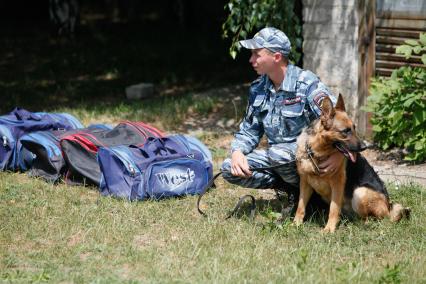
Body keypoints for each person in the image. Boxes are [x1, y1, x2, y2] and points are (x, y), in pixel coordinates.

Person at [221, 27, 344, 202]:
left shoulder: (306, 84)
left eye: (256, 54)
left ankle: (316, 198)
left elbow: (337, 119)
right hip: (280, 161)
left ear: (276, 57)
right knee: (228, 168)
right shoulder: (258, 88)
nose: (251, 59)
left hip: (311, 157)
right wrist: (237, 152)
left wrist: (339, 155)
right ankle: (292, 192)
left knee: (278, 154)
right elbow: (249, 130)